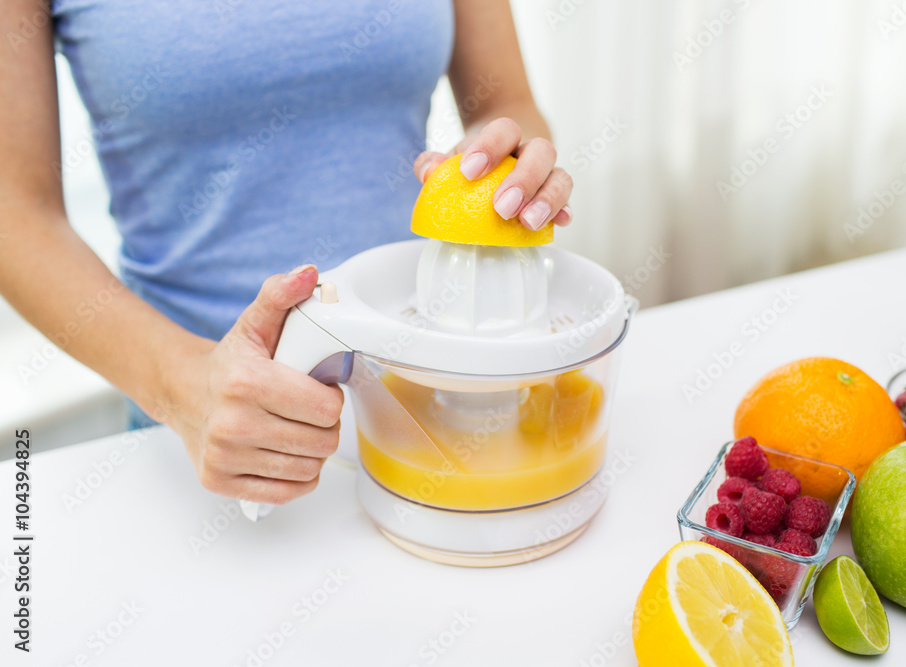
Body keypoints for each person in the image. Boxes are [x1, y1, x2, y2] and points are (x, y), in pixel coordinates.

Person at [0, 0, 573, 505]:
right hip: (204, 442)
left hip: (426, 414)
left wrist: (509, 166)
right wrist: (185, 387)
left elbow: (506, 100)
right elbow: (15, 212)